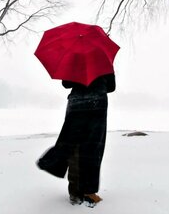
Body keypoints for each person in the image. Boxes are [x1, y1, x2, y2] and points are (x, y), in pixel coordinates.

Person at [36, 73, 116, 207]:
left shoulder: (73, 59)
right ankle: (89, 192)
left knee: (73, 145)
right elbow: (111, 87)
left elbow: (66, 84)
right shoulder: (104, 61)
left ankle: (75, 192)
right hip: (98, 104)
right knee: (93, 148)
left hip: (77, 104)